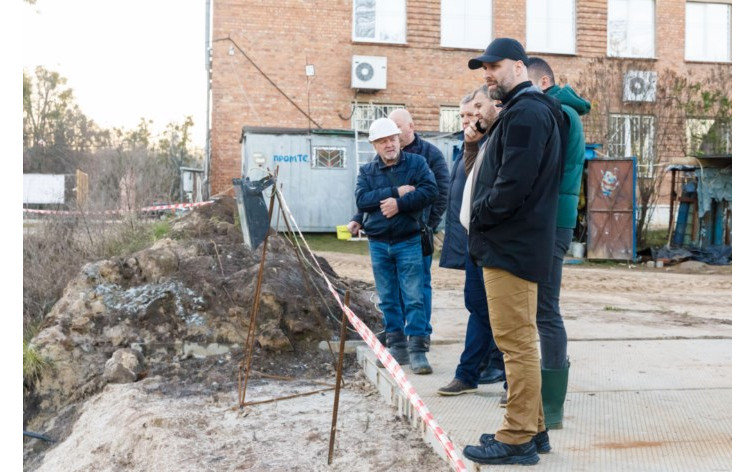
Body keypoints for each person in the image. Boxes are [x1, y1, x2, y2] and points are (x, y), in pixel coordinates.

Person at [461, 38, 565, 466]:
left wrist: (480, 215)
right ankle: (534, 428)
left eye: (495, 66)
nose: (488, 74)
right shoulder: (524, 111)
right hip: (512, 242)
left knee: (516, 343)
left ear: (519, 67)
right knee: (519, 338)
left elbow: (513, 183)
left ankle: (517, 436)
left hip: (510, 244)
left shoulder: (526, 112)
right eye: (484, 68)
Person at [527, 56, 591, 430]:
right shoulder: (563, 110)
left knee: (546, 310)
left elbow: (544, 166)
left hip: (552, 220)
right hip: (552, 218)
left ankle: (551, 408)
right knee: (542, 308)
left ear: (545, 82)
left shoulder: (560, 113)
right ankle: (544, 401)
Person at [350, 109, 449, 344]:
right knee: (391, 292)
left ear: (409, 127)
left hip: (415, 233)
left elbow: (439, 193)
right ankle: (397, 336)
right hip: (384, 236)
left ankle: (420, 336)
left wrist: (426, 224)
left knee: (418, 288)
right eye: (383, 139)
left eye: (394, 133)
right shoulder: (374, 164)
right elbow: (367, 195)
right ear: (376, 144)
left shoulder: (427, 156)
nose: (390, 142)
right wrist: (360, 216)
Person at [437, 85, 508, 398]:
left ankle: (510, 380)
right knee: (477, 306)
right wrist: (470, 146)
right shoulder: (482, 141)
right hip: (474, 238)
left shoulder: (503, 135)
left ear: (494, 106)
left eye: (478, 107)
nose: (473, 116)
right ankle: (468, 374)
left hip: (497, 240)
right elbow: (470, 182)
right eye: (468, 111)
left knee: (504, 312)